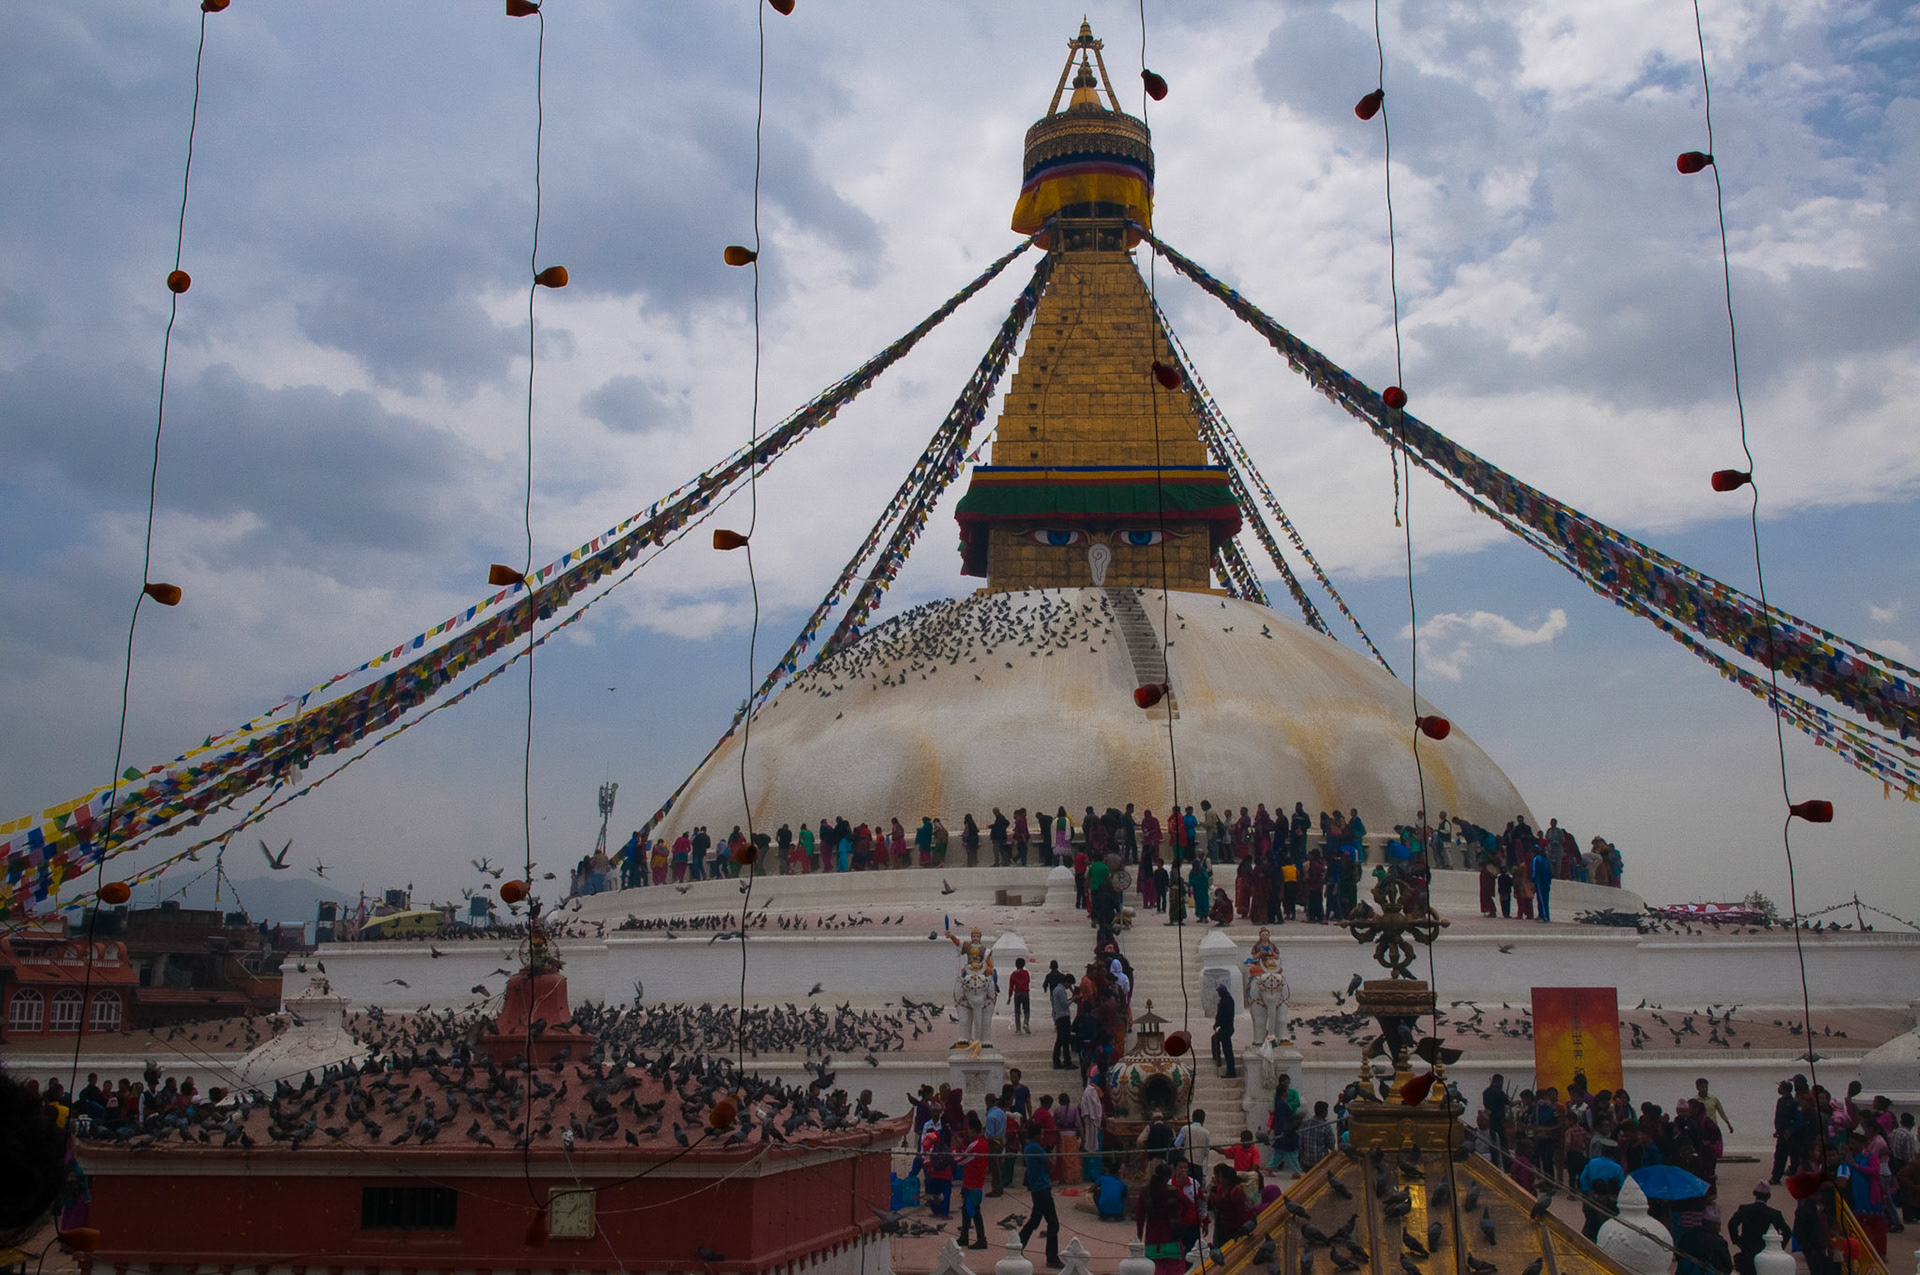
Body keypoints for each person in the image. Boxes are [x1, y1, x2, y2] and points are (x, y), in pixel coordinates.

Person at [1019, 1124, 1062, 1269]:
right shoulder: (1035, 1148)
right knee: (1053, 1223)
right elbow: (1051, 1164)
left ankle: (1018, 1246)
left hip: (1037, 1189)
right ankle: (1052, 1257)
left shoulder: (1029, 1148)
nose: (1043, 1136)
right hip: (1042, 1189)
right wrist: (1051, 1152)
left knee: (1034, 1221)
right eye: (1041, 1134)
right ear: (1036, 1135)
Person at [1728, 1181, 1789, 1275]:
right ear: (1769, 1196)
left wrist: (1738, 1241)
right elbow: (1787, 1232)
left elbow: (1732, 1224)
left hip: (1747, 1252)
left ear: (1754, 1194)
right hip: (1767, 1253)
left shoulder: (1744, 1209)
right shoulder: (1775, 1214)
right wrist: (1778, 1247)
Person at [1137, 1161, 1185, 1275]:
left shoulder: (1145, 1191)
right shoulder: (1173, 1190)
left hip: (1152, 1237)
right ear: (1168, 1177)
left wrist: (1139, 1236)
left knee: (1154, 1269)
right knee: (1173, 1269)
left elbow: (1140, 1217)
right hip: (1171, 1236)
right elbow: (1188, 1204)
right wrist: (1179, 1217)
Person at [957, 1113, 990, 1249]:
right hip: (976, 1181)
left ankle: (981, 1239)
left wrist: (953, 1152)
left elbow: (961, 1160)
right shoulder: (983, 1144)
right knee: (966, 1210)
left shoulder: (976, 1145)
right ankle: (965, 1236)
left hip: (972, 1183)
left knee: (974, 1211)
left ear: (972, 1129)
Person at [1209, 1162, 1255, 1244]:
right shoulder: (1219, 1189)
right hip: (1222, 1226)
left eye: (1219, 1176)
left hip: (1234, 1228)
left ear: (1226, 1179)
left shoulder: (1236, 1193)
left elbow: (1241, 1213)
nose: (1216, 1178)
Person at [1296, 1100, 1337, 1171]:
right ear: (1324, 1112)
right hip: (1321, 1162)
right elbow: (1331, 1145)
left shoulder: (1305, 1124)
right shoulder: (1326, 1126)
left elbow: (1300, 1144)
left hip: (1307, 1162)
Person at [983, 1094, 1008, 1198]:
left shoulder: (991, 1116)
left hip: (993, 1142)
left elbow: (990, 1134)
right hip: (1001, 1140)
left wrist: (983, 1134)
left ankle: (996, 1188)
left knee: (994, 1167)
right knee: (997, 1165)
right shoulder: (1002, 1113)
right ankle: (999, 1187)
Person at [1049, 973, 1075, 1070]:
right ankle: (1067, 1062)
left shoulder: (1056, 989)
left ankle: (1057, 1061)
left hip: (1059, 1017)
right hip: (1063, 1017)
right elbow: (1064, 1004)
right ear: (1067, 982)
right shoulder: (1060, 990)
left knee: (1060, 1041)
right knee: (1064, 1041)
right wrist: (1073, 999)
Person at [1212, 985, 1237, 1078]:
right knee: (1215, 1039)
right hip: (1229, 1027)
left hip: (1225, 1029)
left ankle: (1229, 1070)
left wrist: (1216, 1024)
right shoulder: (1230, 1000)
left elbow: (1220, 1016)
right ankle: (1217, 1058)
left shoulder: (1223, 1003)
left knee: (1227, 1051)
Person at [1177, 1108, 1213, 1173]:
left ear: (1192, 1118)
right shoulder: (1206, 1133)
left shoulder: (1185, 1129)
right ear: (1203, 1119)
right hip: (1198, 1164)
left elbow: (1177, 1144)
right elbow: (1206, 1152)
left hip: (1186, 1163)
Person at [1009, 958, 1032, 1035]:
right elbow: (1028, 981)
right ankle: (1026, 1022)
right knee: (1026, 1010)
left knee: (1017, 1011)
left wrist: (1009, 997)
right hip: (1025, 992)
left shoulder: (1013, 974)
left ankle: (1018, 1029)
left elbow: (1011, 986)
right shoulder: (1026, 973)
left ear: (1016, 965)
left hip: (1017, 993)